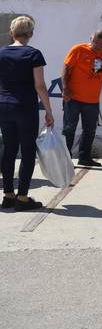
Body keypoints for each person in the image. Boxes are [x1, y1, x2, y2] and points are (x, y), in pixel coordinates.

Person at [0, 16, 54, 211]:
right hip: (25, 107)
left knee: (8, 149)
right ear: (31, 34)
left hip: (3, 105)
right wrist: (49, 111)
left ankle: (7, 195)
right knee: (28, 151)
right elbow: (39, 85)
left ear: (11, 33)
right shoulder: (33, 54)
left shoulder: (2, 53)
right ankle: (22, 198)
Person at [61, 30, 102, 167]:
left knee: (90, 129)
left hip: (92, 100)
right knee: (69, 128)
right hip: (73, 98)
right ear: (90, 39)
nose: (98, 46)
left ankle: (84, 157)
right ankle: (65, 159)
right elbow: (65, 69)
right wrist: (65, 88)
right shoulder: (78, 49)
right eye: (96, 43)